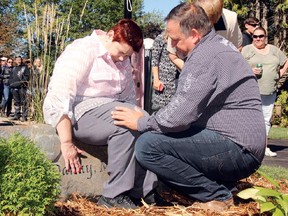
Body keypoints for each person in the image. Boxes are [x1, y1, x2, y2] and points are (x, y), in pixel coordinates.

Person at [111, 3, 266, 213]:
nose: (172, 47)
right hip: (241, 144)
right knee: (168, 137)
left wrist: (141, 122)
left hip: (237, 148)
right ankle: (221, 185)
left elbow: (179, 115)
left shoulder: (205, 57)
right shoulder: (218, 46)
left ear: (193, 34)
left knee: (148, 146)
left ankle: (217, 195)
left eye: (175, 40)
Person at [43, 19, 160, 209]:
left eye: (128, 55)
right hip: (82, 112)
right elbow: (61, 95)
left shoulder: (122, 59)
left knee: (143, 121)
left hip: (111, 108)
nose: (123, 59)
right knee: (123, 126)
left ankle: (144, 191)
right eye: (121, 52)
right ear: (111, 35)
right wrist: (66, 142)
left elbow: (130, 99)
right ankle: (113, 196)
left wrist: (139, 117)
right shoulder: (83, 50)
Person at [241, 27, 288, 157]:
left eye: (261, 36)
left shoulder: (274, 50)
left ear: (265, 37)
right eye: (255, 36)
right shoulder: (246, 50)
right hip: (250, 90)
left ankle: (264, 147)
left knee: (266, 119)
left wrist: (279, 74)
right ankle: (248, 146)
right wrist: (250, 70)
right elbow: (237, 65)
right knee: (250, 118)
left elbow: (286, 61)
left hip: (269, 90)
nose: (258, 39)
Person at [151, 31, 180, 111]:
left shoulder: (182, 40)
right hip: (164, 84)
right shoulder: (161, 38)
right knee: (159, 110)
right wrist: (156, 79)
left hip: (178, 82)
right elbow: (154, 61)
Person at [9, 56, 30, 122]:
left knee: (24, 102)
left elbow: (27, 77)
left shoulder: (25, 67)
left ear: (21, 60)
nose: (18, 61)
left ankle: (24, 116)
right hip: (14, 87)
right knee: (16, 102)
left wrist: (21, 83)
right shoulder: (14, 68)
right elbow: (11, 77)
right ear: (15, 61)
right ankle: (17, 115)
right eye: (17, 60)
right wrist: (11, 84)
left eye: (19, 59)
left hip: (22, 88)